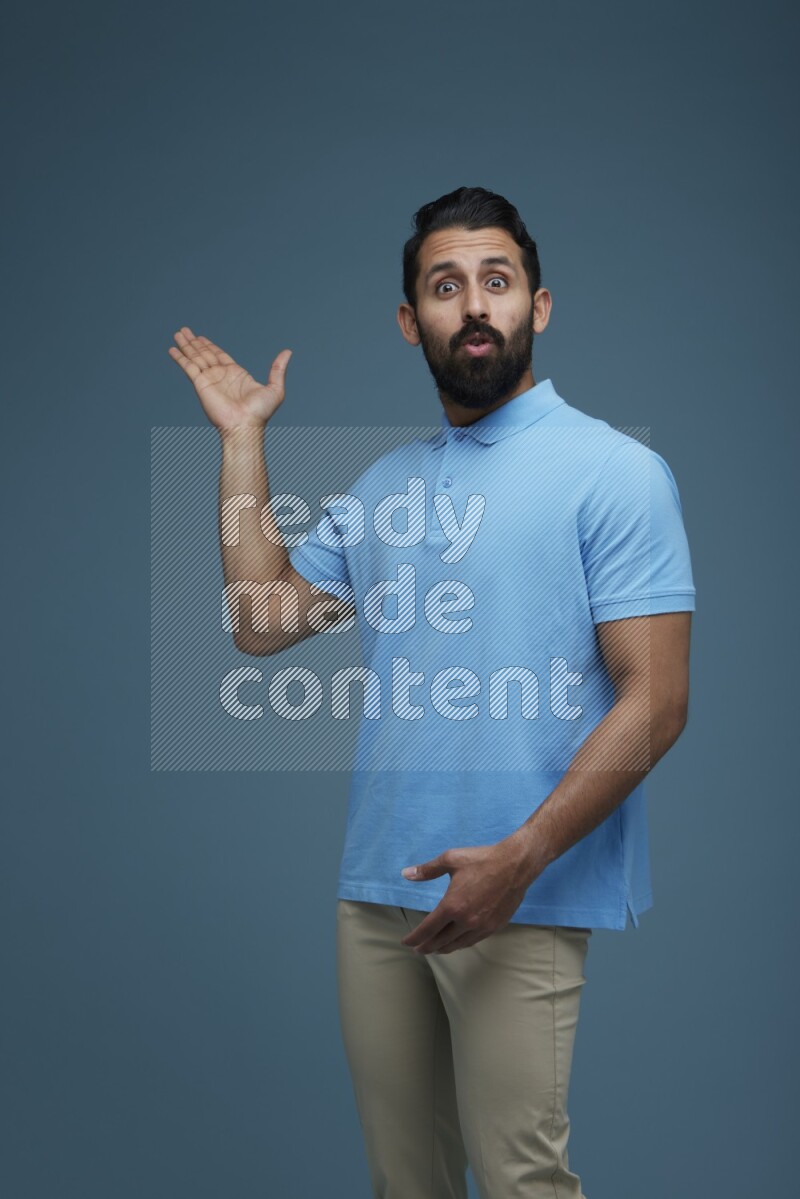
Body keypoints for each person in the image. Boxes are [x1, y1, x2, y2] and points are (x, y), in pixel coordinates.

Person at [168, 185, 695, 1199]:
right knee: (404, 1183)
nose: (474, 304)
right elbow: (258, 619)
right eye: (444, 286)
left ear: (537, 304)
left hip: (518, 891)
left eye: (496, 280)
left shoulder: (614, 473)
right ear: (413, 322)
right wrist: (241, 439)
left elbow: (655, 702)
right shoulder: (386, 484)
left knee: (518, 1180)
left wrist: (520, 859)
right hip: (378, 891)